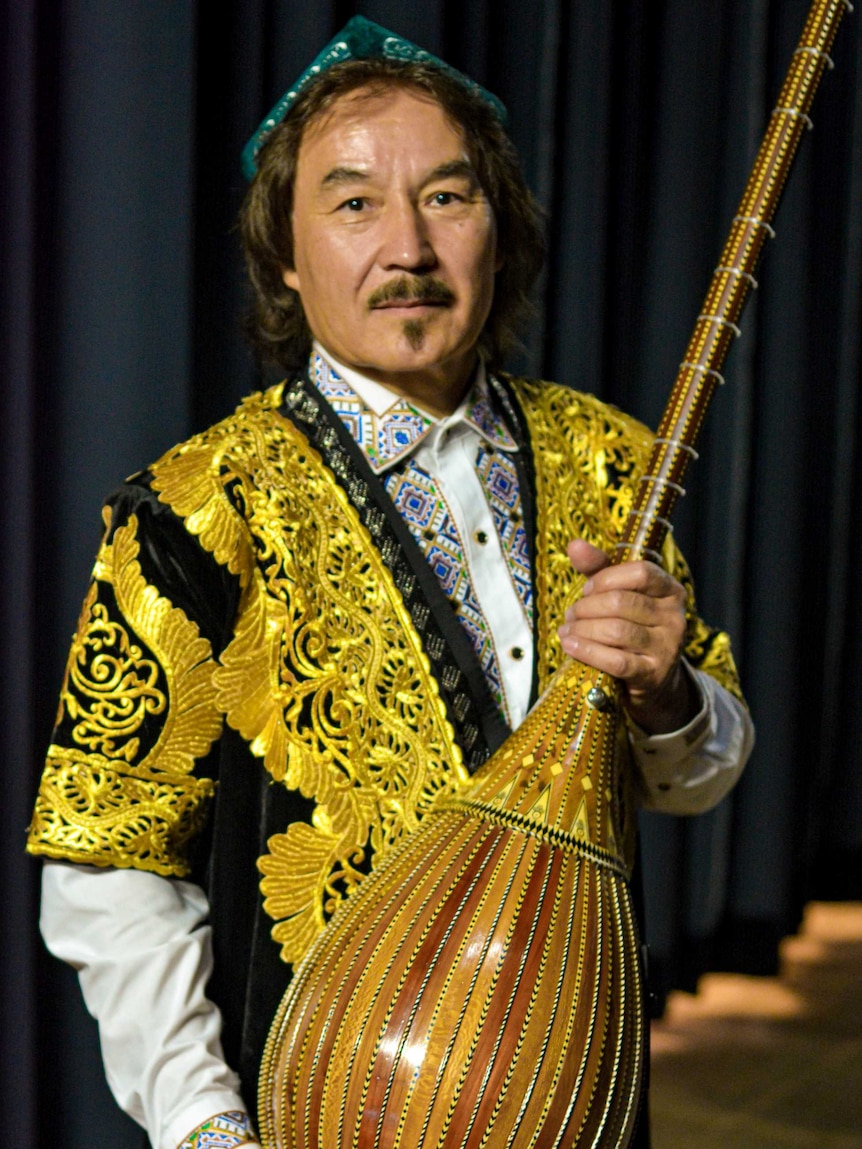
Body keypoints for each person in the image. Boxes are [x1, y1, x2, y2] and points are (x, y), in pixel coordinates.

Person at [27, 17, 754, 1149]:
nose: (406, 246)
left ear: (500, 234)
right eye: (354, 203)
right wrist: (202, 1125)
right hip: (310, 1112)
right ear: (283, 251)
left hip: (577, 1093)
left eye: (448, 198)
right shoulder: (194, 511)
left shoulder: (615, 464)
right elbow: (110, 860)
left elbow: (697, 773)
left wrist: (670, 699)